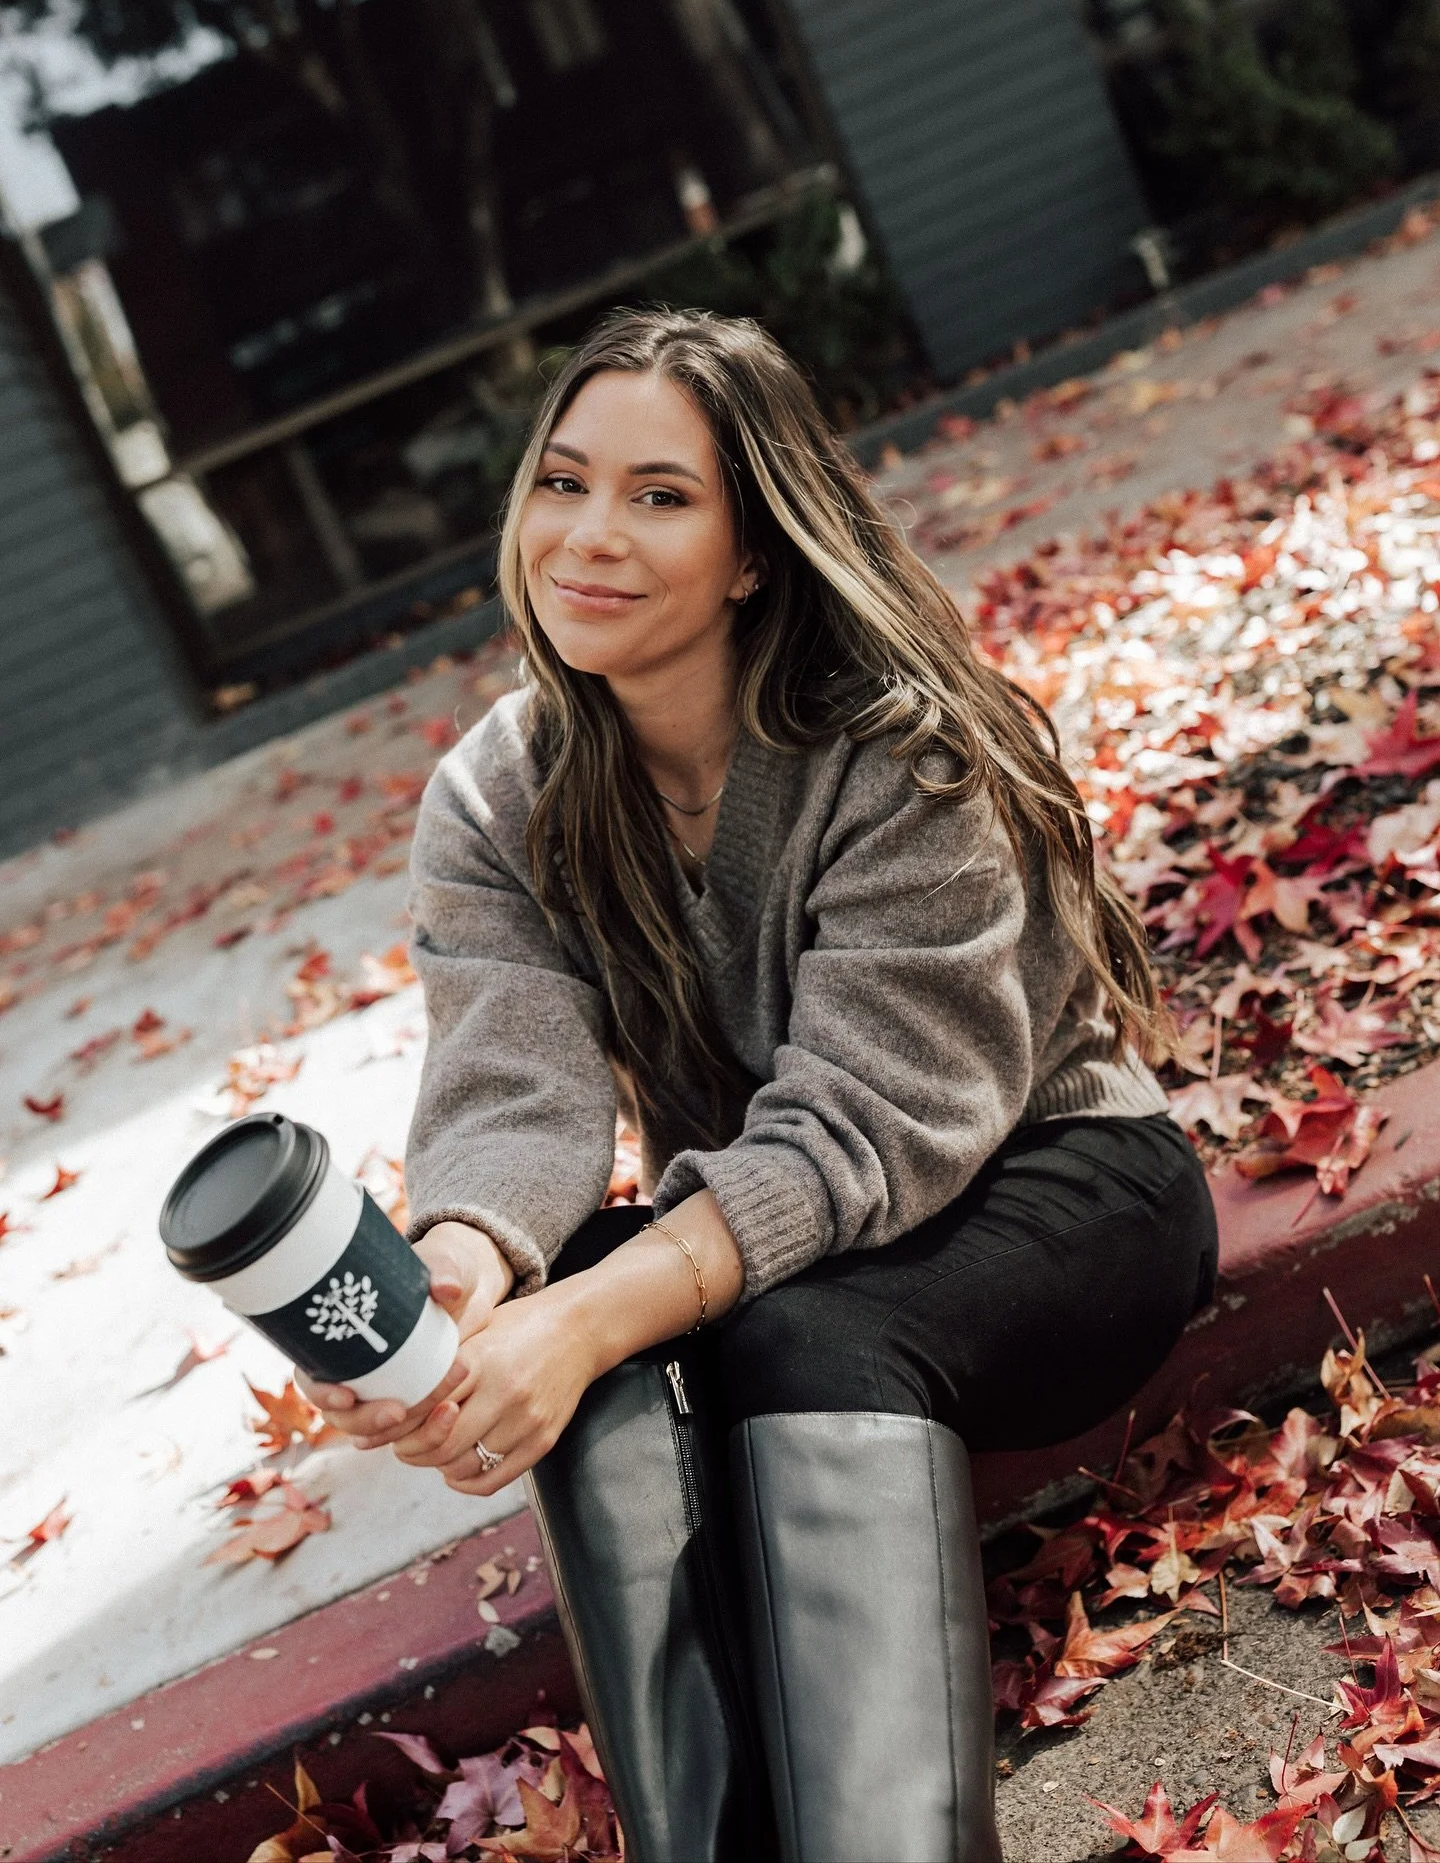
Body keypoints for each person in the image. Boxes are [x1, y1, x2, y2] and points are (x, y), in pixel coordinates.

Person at [301, 308, 1218, 1863]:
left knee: (742, 1321)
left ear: (750, 551)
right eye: (565, 482)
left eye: (661, 496)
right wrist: (449, 1289)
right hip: (780, 1238)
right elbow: (514, 1096)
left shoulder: (896, 754)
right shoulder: (500, 795)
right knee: (591, 1295)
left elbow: (865, 1124)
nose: (589, 535)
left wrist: (587, 1318)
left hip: (1050, 1189)